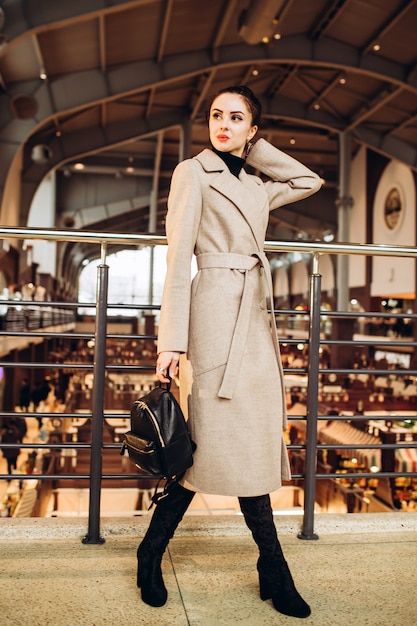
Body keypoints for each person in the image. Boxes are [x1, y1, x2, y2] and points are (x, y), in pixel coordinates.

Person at [137, 85, 321, 618]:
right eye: (217, 115)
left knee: (249, 447)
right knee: (213, 448)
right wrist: (170, 342)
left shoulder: (256, 184)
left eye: (236, 117)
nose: (222, 123)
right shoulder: (192, 173)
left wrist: (254, 150)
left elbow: (308, 180)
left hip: (256, 322)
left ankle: (258, 566)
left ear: (251, 128)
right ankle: (268, 570)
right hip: (214, 317)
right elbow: (177, 261)